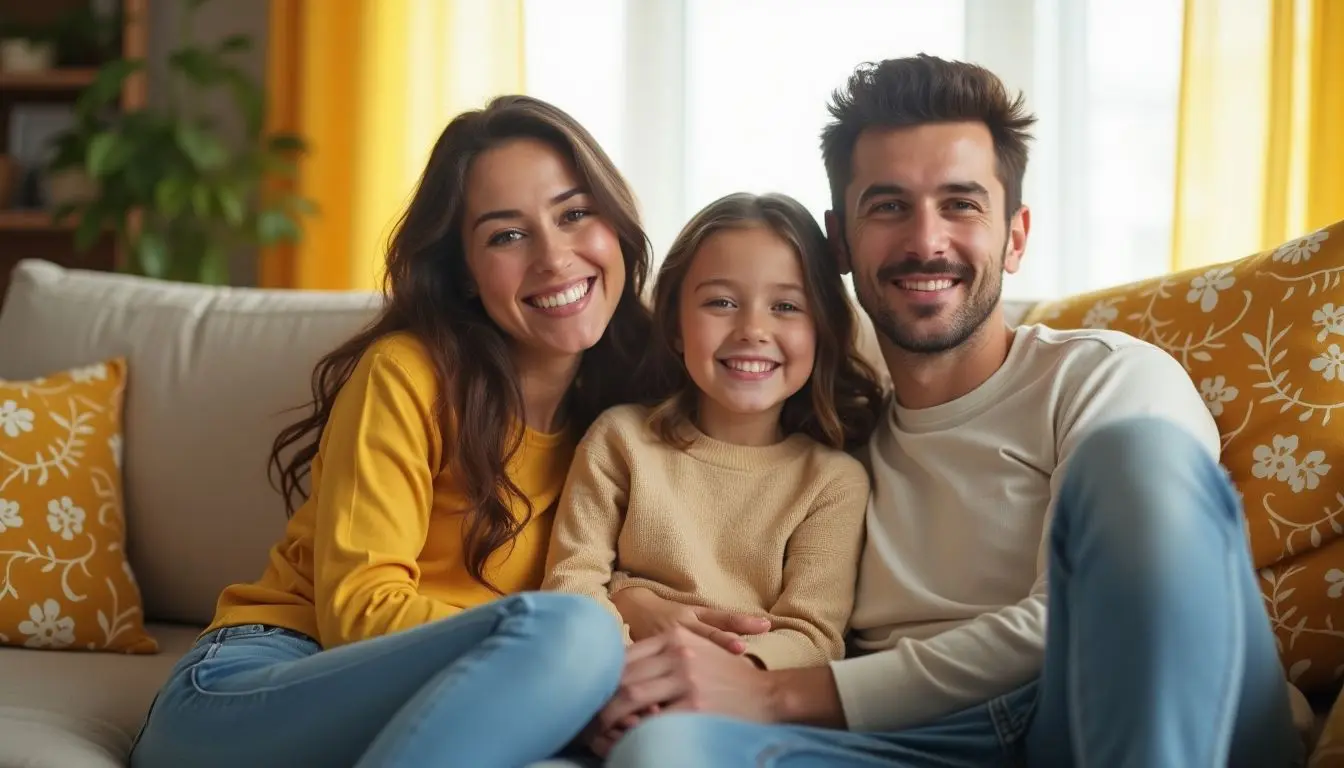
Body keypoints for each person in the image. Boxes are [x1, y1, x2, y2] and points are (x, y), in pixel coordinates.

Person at [596, 55, 1306, 767]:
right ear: (840, 240)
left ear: (1016, 235)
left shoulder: (1105, 377)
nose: (925, 241)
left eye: (961, 204)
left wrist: (784, 694)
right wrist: (633, 602)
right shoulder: (830, 414)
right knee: (664, 754)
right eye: (889, 206)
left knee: (1136, 458)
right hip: (907, 741)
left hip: (1097, 700)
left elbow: (1100, 611)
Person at [127, 95, 656, 768]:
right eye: (506, 234)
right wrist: (573, 660)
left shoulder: (635, 407)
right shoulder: (407, 375)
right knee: (578, 632)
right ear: (465, 273)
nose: (554, 257)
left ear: (614, 222)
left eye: (575, 213)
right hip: (246, 693)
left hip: (449, 705)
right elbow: (360, 615)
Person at [540, 192, 886, 749]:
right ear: (675, 325)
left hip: (732, 709)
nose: (752, 329)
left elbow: (813, 636)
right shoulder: (620, 439)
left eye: (787, 306)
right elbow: (572, 581)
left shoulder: (832, 482)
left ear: (822, 332)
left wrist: (705, 676)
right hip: (615, 687)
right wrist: (631, 674)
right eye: (721, 303)